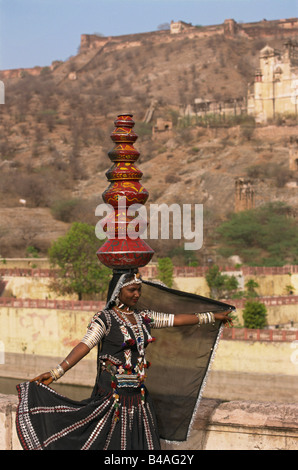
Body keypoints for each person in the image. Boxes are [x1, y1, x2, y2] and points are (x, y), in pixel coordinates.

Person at [16, 270, 233, 450]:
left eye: (139, 289)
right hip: (113, 398)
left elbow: (176, 320)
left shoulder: (143, 317)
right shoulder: (105, 319)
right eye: (132, 290)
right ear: (118, 292)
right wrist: (57, 372)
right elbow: (85, 345)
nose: (137, 294)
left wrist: (211, 316)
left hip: (138, 398)